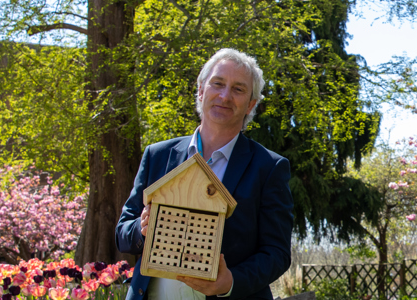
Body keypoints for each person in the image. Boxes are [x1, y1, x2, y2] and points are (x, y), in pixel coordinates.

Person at [115, 48, 293, 300]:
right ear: (200, 90)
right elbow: (122, 234)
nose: (225, 95)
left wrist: (230, 282)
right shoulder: (157, 155)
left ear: (251, 104)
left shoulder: (269, 168)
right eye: (217, 83)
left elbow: (276, 253)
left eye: (238, 89)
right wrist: (141, 228)